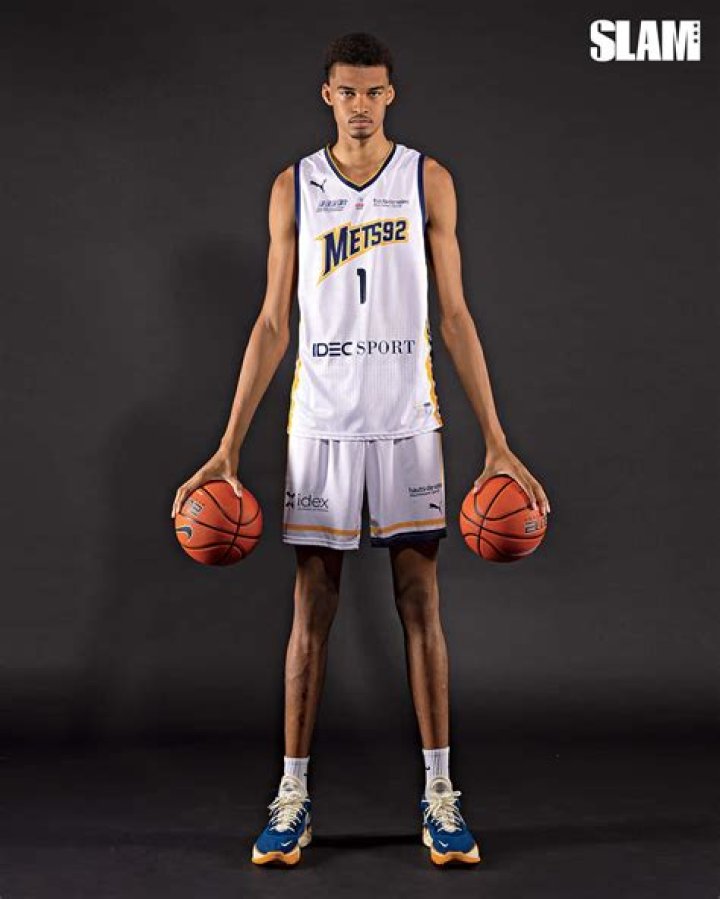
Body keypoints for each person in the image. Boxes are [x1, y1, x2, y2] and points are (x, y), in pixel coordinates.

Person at [171, 32, 550, 867]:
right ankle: (292, 797)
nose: (361, 106)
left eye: (375, 92)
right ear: (327, 95)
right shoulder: (294, 187)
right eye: (347, 92)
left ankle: (440, 794)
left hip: (408, 419)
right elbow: (274, 324)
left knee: (421, 601)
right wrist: (227, 447)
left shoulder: (426, 178)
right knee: (312, 607)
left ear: (391, 95)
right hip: (323, 426)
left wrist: (497, 440)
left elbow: (455, 316)